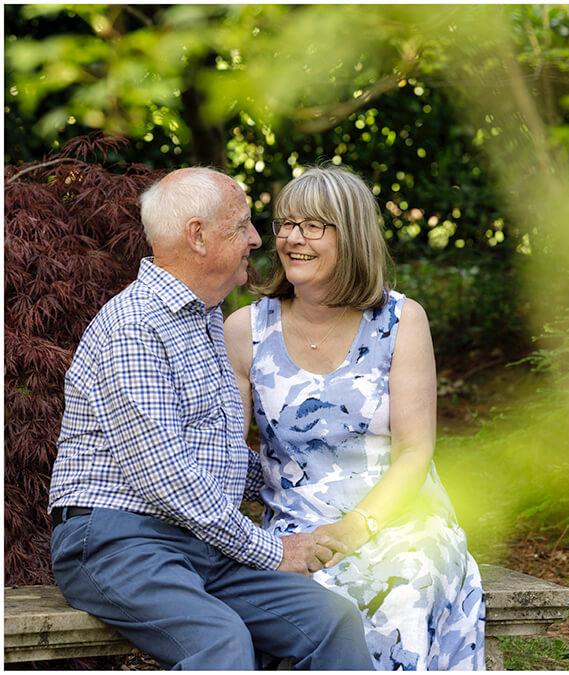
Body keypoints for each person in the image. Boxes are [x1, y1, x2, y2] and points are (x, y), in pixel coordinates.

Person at [48, 168, 374, 669]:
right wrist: (272, 550)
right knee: (218, 641)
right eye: (241, 225)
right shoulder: (134, 326)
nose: (257, 238)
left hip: (195, 541)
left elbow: (218, 457)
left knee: (329, 618)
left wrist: (320, 480)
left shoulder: (203, 318)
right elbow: (167, 477)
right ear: (197, 236)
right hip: (117, 541)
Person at [225, 166, 486, 670]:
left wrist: (357, 527)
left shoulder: (400, 321)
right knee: (309, 608)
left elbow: (415, 450)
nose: (291, 238)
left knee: (403, 592)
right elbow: (230, 456)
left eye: (313, 226)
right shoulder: (246, 329)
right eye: (286, 223)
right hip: (297, 527)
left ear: (352, 236)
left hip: (400, 519)